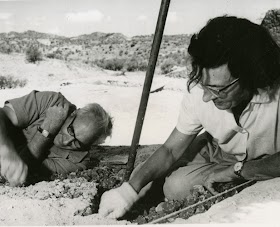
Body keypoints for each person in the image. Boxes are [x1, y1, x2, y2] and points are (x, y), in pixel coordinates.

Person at [98, 15, 280, 219]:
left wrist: (238, 171)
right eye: (204, 85)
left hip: (266, 160)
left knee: (179, 186)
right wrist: (127, 192)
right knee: (164, 183)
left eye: (219, 90)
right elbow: (169, 150)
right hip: (220, 152)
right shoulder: (199, 89)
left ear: (252, 75)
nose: (206, 96)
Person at [0, 90, 113, 186]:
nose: (66, 141)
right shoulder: (52, 101)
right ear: (73, 114)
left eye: (77, 143)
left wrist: (47, 130)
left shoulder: (78, 162)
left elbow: (21, 170)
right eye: (71, 130)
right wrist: (5, 150)